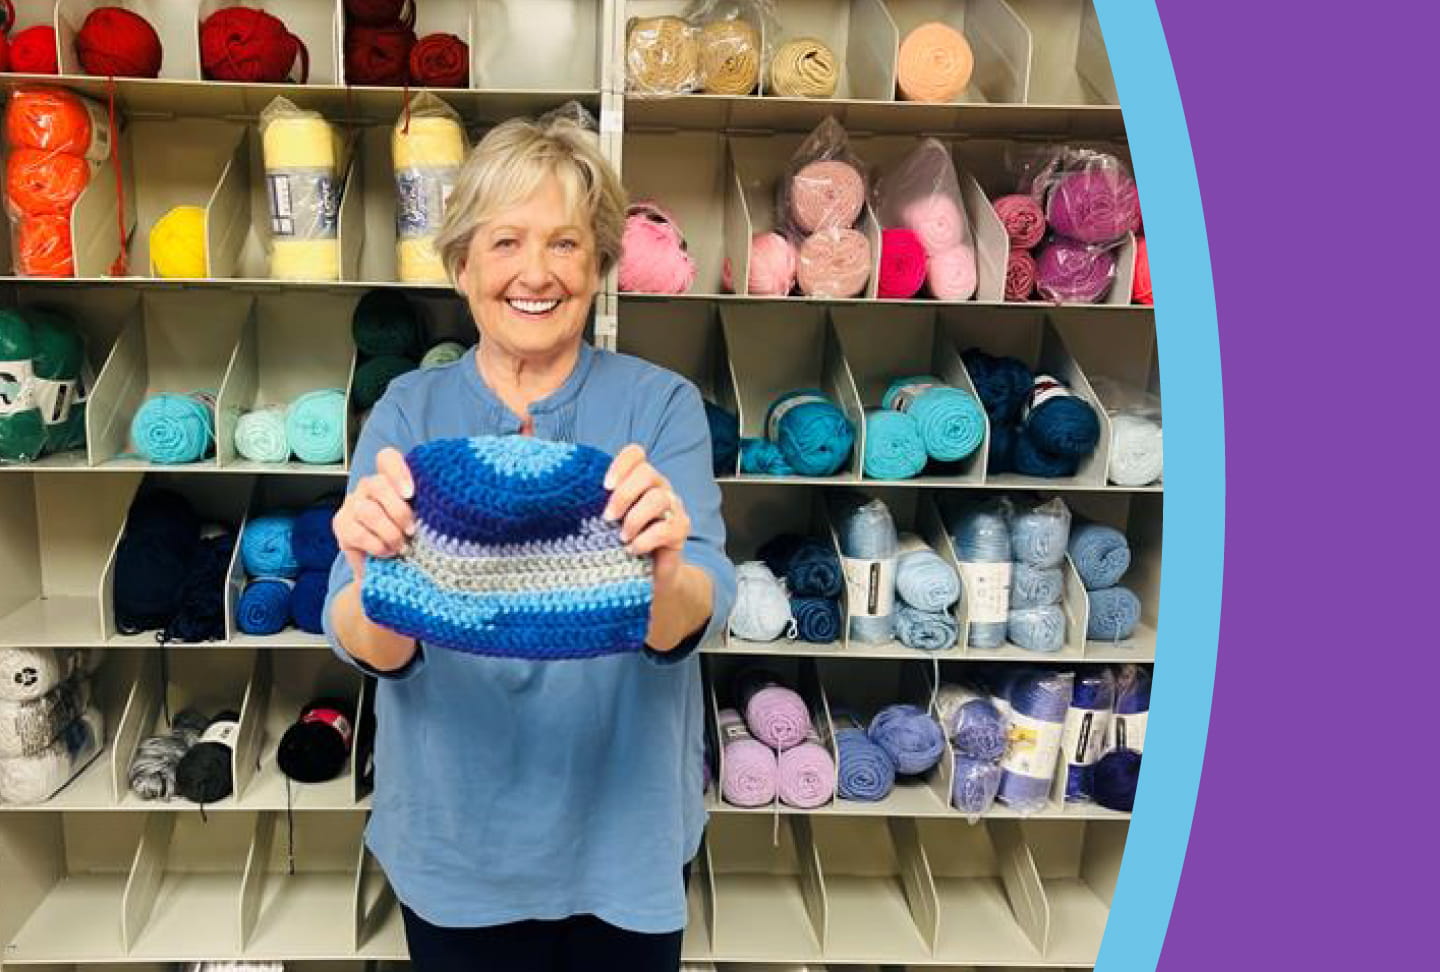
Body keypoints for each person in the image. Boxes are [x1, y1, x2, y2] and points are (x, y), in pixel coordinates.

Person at [323, 104, 737, 972]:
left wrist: (664, 569)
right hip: (453, 849)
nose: (535, 272)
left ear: (599, 265)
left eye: (565, 243)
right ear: (464, 265)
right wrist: (370, 576)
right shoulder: (407, 411)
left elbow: (697, 612)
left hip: (623, 844)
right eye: (505, 242)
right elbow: (368, 645)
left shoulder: (657, 407)